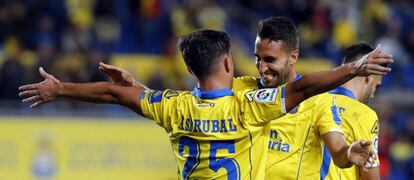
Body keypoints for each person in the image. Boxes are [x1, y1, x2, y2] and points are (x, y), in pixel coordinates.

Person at [19, 29, 391, 179]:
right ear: (229, 63)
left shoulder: (173, 106)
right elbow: (305, 86)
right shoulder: (246, 107)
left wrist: (60, 88)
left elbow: (113, 93)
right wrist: (352, 68)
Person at [323, 42, 383, 180]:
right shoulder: (364, 114)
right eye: (376, 87)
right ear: (368, 78)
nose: (373, 94)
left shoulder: (314, 101)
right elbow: (371, 177)